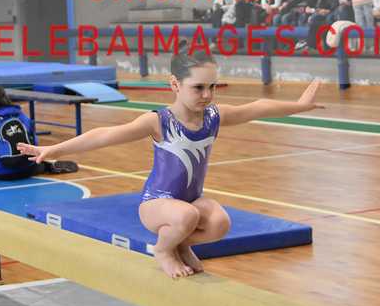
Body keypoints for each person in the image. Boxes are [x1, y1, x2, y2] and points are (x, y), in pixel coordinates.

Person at [18, 47, 323, 279]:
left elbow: (257, 107)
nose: (207, 95)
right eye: (198, 87)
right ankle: (163, 249)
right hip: (156, 204)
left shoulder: (214, 116)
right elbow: (105, 135)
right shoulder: (159, 121)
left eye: (212, 86)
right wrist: (55, 150)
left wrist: (298, 106)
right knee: (187, 215)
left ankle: (180, 243)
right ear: (175, 84)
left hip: (189, 203)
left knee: (220, 223)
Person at [0, 86, 42, 181]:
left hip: (3, 173)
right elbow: (35, 142)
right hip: (29, 168)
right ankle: (44, 166)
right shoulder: (22, 116)